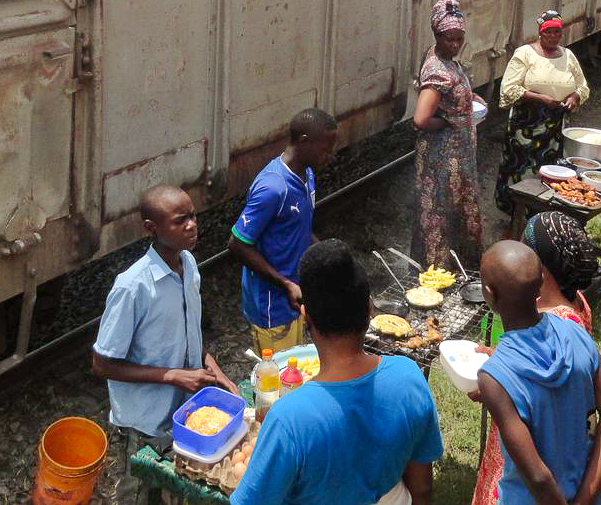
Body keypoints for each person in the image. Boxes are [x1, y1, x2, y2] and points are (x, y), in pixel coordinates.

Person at [233, 240, 444, 505]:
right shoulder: (408, 376)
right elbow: (422, 488)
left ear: (306, 317)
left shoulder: (289, 419)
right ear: (369, 310)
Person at [93, 185, 237, 504]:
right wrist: (173, 375)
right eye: (179, 221)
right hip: (145, 421)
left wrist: (218, 376)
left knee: (174, 490)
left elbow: (189, 335)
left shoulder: (189, 266)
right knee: (139, 494)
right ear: (151, 229)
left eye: (192, 217)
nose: (191, 225)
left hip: (182, 412)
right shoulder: (133, 287)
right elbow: (101, 364)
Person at [476, 241, 601, 505]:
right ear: (541, 282)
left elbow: (537, 477)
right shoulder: (576, 332)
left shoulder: (494, 377)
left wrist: (496, 388)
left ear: (489, 293)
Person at [229, 109, 339, 354]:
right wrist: (285, 283)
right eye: (326, 148)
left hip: (295, 296)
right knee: (277, 386)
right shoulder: (273, 188)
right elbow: (237, 244)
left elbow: (299, 229)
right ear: (304, 141)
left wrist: (328, 257)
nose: (330, 156)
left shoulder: (307, 174)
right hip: (272, 306)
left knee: (294, 374)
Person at [495, 11, 592, 212]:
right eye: (549, 32)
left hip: (554, 129)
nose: (553, 36)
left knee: (550, 172)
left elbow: (583, 87)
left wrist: (574, 97)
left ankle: (540, 215)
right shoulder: (525, 54)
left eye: (557, 32)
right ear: (540, 32)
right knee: (520, 171)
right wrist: (540, 98)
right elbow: (508, 89)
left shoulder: (568, 56)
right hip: (525, 128)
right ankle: (514, 215)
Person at [413, 0, 484, 265]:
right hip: (442, 163)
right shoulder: (437, 70)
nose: (455, 45)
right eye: (449, 39)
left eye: (459, 39)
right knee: (440, 216)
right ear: (437, 34)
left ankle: (457, 269)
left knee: (455, 215)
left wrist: (469, 98)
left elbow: (450, 95)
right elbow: (420, 119)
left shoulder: (444, 58)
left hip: (456, 160)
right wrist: (446, 123)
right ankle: (438, 273)